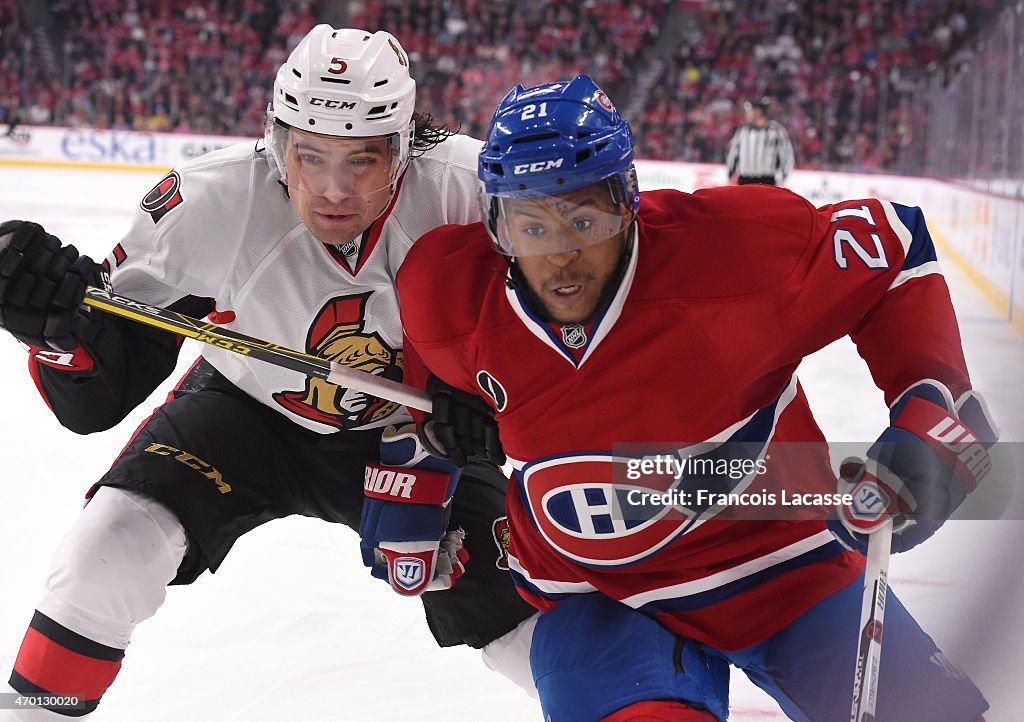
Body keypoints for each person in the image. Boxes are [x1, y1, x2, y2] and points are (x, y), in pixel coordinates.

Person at [386, 75, 999, 721]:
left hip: (785, 559)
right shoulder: (445, 289)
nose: (562, 255)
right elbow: (431, 359)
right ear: (496, 224)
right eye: (532, 225)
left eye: (586, 219)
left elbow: (892, 246)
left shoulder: (733, 253)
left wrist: (932, 397)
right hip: (596, 596)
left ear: (628, 202)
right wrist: (443, 399)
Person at [0, 25, 536, 720]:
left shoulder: (472, 192)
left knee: (525, 618)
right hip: (243, 410)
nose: (332, 191)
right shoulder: (208, 204)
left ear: (405, 148)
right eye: (308, 155)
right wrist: (56, 330)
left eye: (363, 160)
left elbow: (564, 326)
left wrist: (488, 392)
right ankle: (42, 709)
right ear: (274, 138)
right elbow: (95, 397)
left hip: (413, 425)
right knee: (106, 551)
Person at [725, 96, 794, 185]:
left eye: (750, 110)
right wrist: (730, 175)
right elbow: (732, 154)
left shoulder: (776, 130)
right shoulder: (742, 131)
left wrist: (784, 176)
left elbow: (786, 154)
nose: (747, 113)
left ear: (758, 112)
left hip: (767, 180)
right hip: (745, 179)